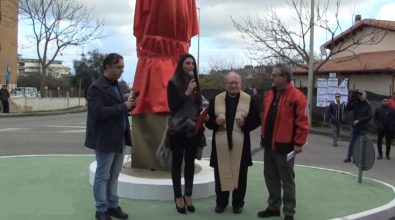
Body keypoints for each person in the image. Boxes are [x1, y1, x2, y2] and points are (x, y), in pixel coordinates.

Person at [85, 53, 135, 220]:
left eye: (122, 67)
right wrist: (123, 106)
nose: (122, 70)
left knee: (114, 175)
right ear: (108, 67)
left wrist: (127, 107)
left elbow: (118, 109)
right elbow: (98, 112)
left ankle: (112, 205)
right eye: (119, 67)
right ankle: (101, 210)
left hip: (119, 138)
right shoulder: (96, 88)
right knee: (103, 175)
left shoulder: (116, 85)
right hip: (105, 138)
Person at [257, 64, 309, 220]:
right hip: (269, 146)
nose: (272, 77)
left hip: (285, 148)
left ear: (285, 77)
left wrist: (299, 143)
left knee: (287, 181)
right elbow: (266, 119)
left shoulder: (297, 96)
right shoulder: (270, 94)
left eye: (275, 75)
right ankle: (273, 207)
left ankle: (289, 212)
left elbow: (303, 122)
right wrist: (263, 138)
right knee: (270, 178)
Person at [205, 71, 260, 214]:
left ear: (240, 84)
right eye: (231, 82)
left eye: (236, 83)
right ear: (225, 84)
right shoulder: (215, 100)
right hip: (221, 144)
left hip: (241, 144)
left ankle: (237, 203)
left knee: (241, 175)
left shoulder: (249, 100)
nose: (234, 85)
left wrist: (245, 123)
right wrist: (214, 122)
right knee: (220, 174)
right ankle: (221, 203)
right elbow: (208, 123)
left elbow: (256, 121)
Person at [167, 53, 202, 214]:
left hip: (193, 127)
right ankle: (178, 196)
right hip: (178, 128)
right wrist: (187, 92)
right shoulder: (173, 83)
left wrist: (203, 113)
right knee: (177, 163)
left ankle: (188, 194)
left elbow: (198, 104)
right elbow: (172, 106)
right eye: (187, 63)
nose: (190, 66)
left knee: (190, 162)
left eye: (192, 64)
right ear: (181, 65)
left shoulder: (195, 83)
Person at [343, 90, 373, 163]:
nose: (360, 95)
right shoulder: (356, 103)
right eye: (359, 94)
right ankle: (349, 157)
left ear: (365, 96)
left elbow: (369, 116)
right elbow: (346, 109)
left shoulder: (368, 105)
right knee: (352, 142)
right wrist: (351, 99)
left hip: (363, 128)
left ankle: (357, 158)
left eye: (362, 94)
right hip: (355, 127)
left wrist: (359, 120)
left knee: (361, 144)